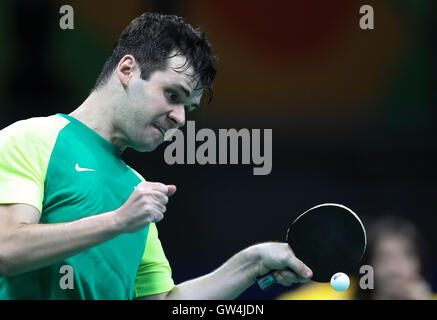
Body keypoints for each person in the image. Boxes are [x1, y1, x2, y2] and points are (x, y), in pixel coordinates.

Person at [0, 12, 312, 300]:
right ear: (127, 70)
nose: (180, 118)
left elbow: (165, 300)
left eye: (188, 109)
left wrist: (252, 263)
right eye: (172, 95)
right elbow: (6, 249)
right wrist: (118, 221)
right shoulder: (33, 139)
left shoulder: (136, 190)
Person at [277, 216, 435, 300]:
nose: (395, 269)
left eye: (406, 256)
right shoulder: (336, 295)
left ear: (419, 262)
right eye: (385, 258)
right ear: (369, 265)